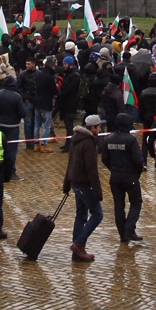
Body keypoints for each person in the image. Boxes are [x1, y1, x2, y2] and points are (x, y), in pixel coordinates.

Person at [63, 113, 104, 263]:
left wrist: (67, 184)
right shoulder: (88, 143)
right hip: (84, 184)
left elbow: (70, 163)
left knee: (81, 215)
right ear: (92, 128)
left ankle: (78, 252)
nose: (100, 129)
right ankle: (79, 244)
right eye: (99, 127)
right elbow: (92, 170)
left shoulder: (76, 140)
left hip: (75, 182)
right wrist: (98, 191)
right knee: (97, 214)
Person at [102, 111, 146, 245]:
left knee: (119, 206)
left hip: (115, 177)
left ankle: (123, 234)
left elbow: (104, 158)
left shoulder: (109, 139)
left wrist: (113, 169)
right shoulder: (131, 140)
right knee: (136, 202)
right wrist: (137, 173)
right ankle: (129, 230)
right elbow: (138, 160)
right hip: (130, 177)